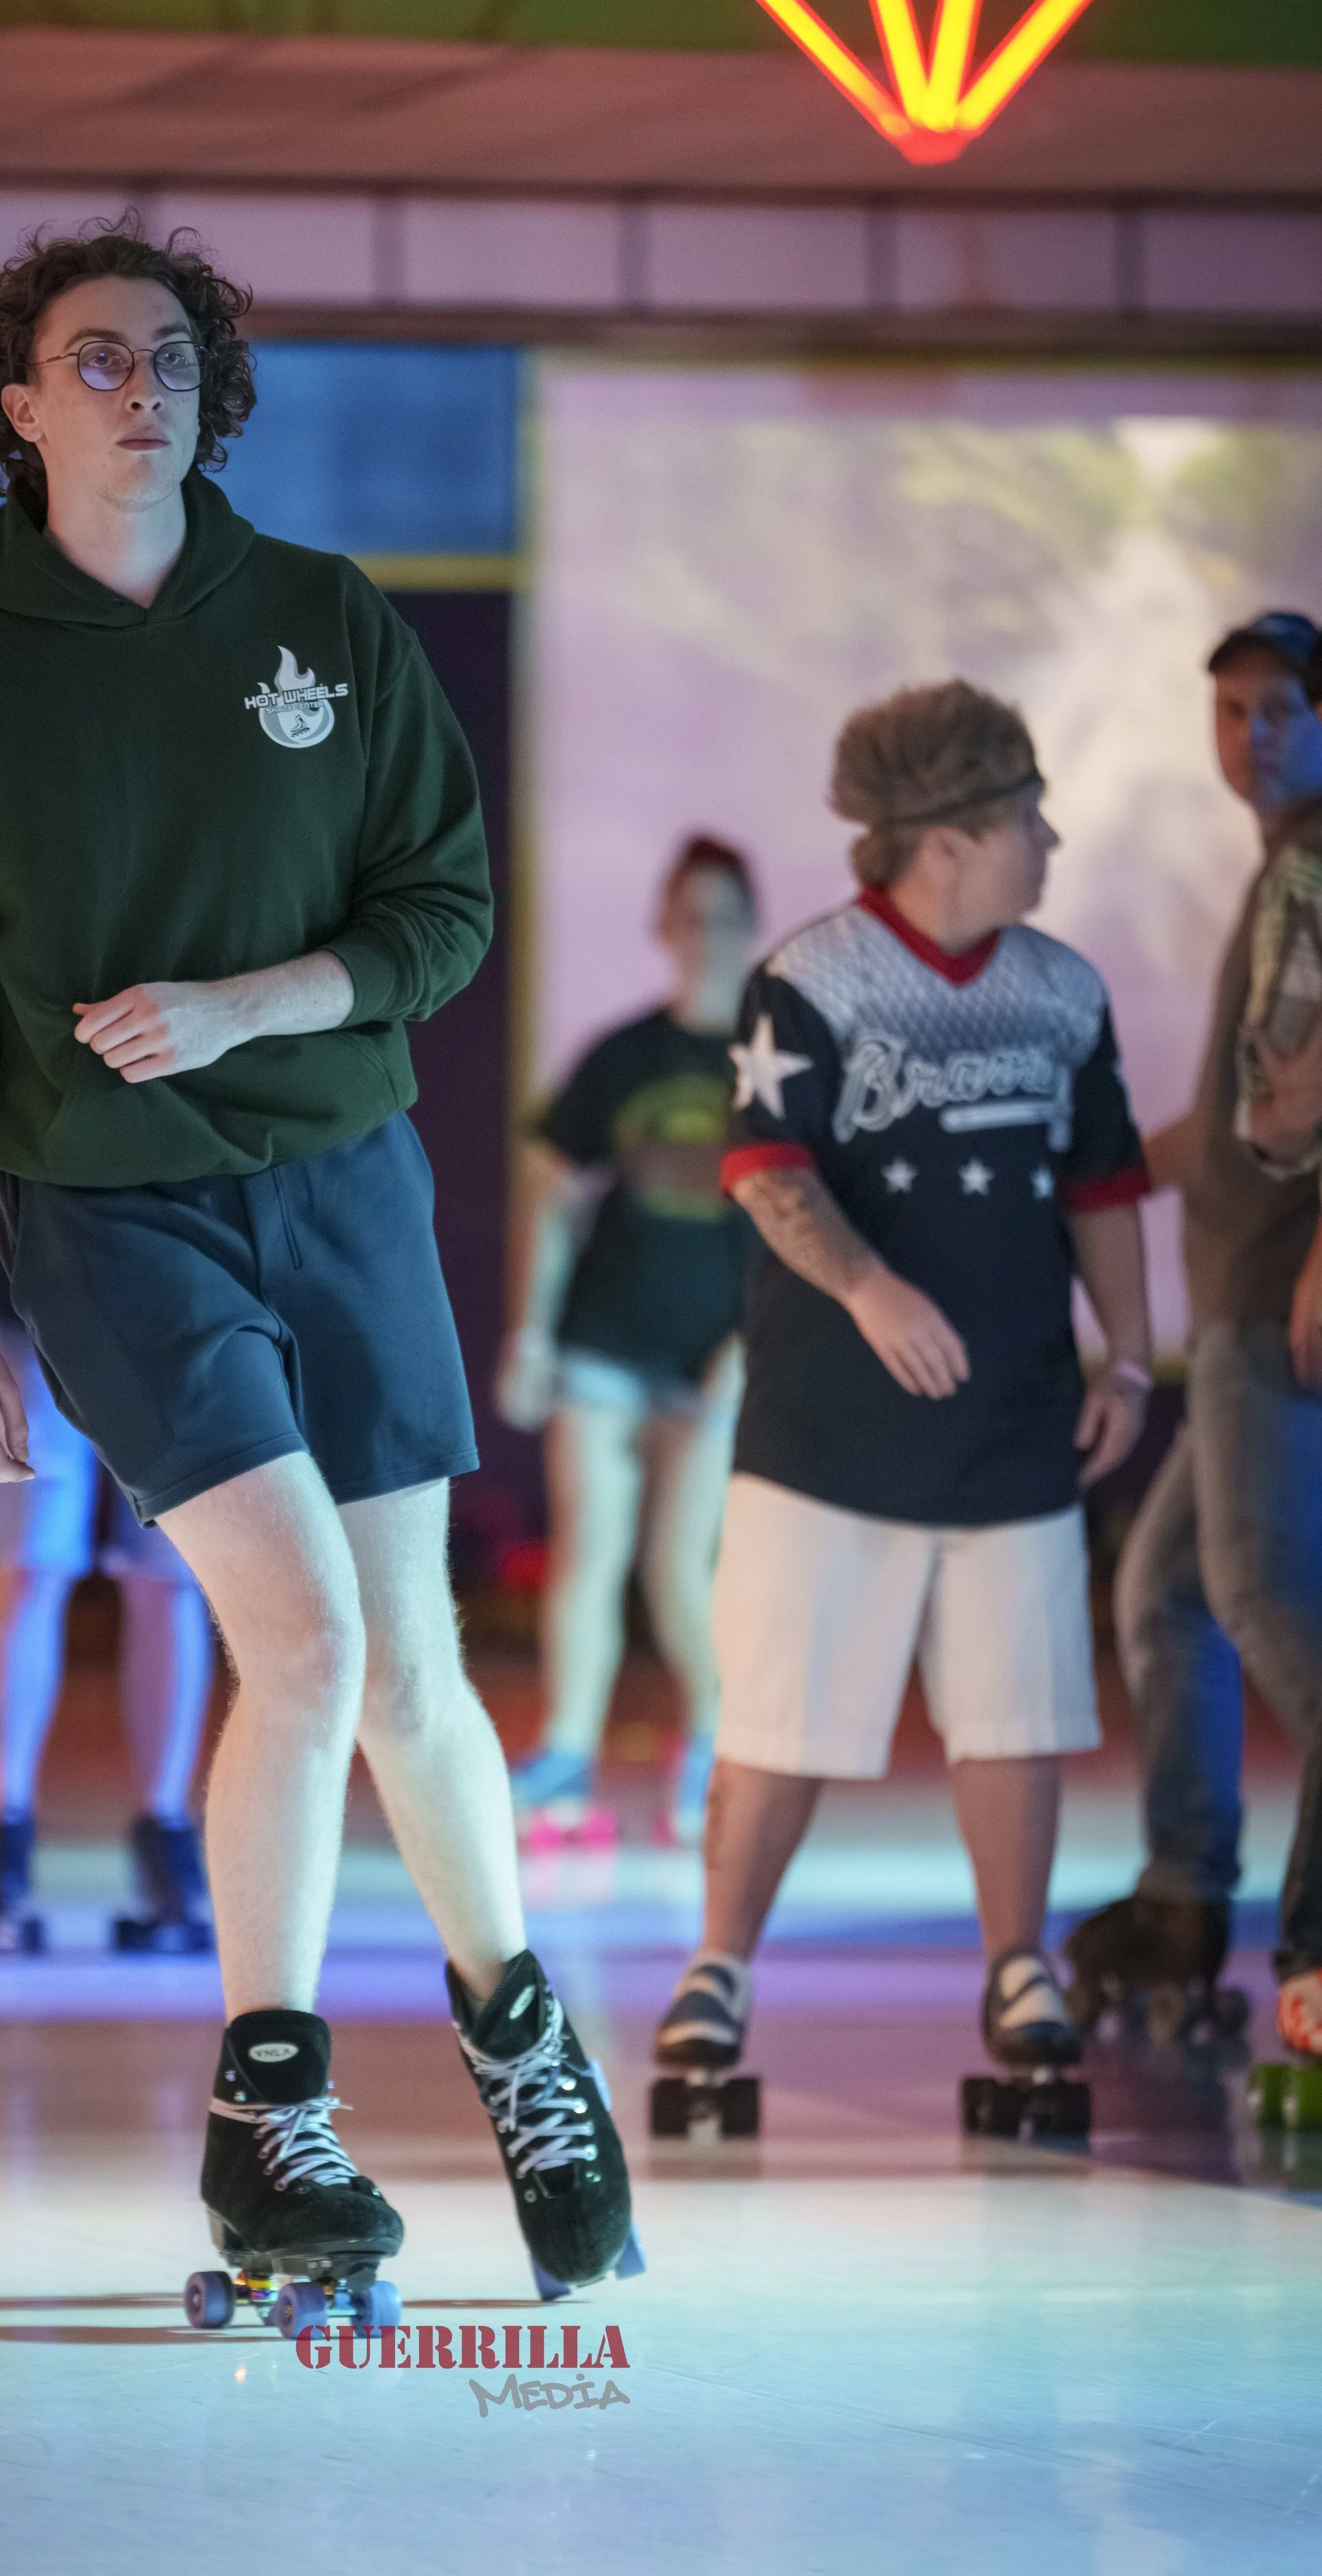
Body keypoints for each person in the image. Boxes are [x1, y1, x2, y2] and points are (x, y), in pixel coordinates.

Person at [0, 218, 636, 2298]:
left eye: (173, 355)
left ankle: (523, 2038)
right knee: (309, 1644)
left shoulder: (324, 618)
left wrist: (247, 1005)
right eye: (97, 359)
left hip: (345, 1182)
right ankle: (271, 2113)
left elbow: (439, 910)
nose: (143, 387)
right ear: (18, 408)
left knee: (413, 1659)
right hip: (111, 1214)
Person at [653, 680, 1153, 2092]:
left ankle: (1018, 1968)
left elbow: (1103, 1185)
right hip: (824, 1430)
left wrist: (1125, 1354)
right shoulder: (811, 978)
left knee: (1018, 1704)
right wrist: (870, 1287)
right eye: (1028, 814)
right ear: (948, 837)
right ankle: (719, 1966)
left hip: (1016, 1421)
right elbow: (766, 1168)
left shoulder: (1065, 989)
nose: (1048, 840)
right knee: (777, 1710)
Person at [1066, 614, 1322, 2061]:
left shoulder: (1313, 871)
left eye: (1279, 708)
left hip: (1271, 1297)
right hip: (1234, 1289)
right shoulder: (1278, 874)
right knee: (1164, 1594)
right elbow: (1236, 1128)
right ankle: (1182, 1895)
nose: (1251, 736)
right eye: (1230, 712)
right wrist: (1085, 1171)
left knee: (1260, 1596)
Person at [495, 837, 761, 1848]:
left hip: (716, 1356)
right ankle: (567, 1752)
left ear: (750, 927)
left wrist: (753, 1348)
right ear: (661, 925)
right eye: (687, 915)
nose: (704, 935)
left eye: (722, 916)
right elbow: (550, 1196)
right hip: (604, 1340)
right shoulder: (623, 1056)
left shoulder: (775, 1066)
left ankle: (712, 1743)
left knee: (680, 1565)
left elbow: (804, 1226)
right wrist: (531, 1335)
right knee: (589, 1549)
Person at [0, 1155, 215, 1955]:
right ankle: (17, 1841)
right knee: (38, 1564)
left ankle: (141, 1843)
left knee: (152, 1572)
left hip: (153, 1281)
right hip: (52, 1271)